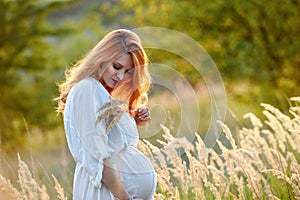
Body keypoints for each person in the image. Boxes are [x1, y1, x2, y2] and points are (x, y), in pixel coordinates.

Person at [56, 29, 157, 200]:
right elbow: (99, 156)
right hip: (106, 193)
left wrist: (131, 119)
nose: (120, 76)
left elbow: (109, 139)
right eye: (117, 67)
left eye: (128, 72)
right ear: (102, 58)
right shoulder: (86, 89)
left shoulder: (101, 92)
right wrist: (126, 198)